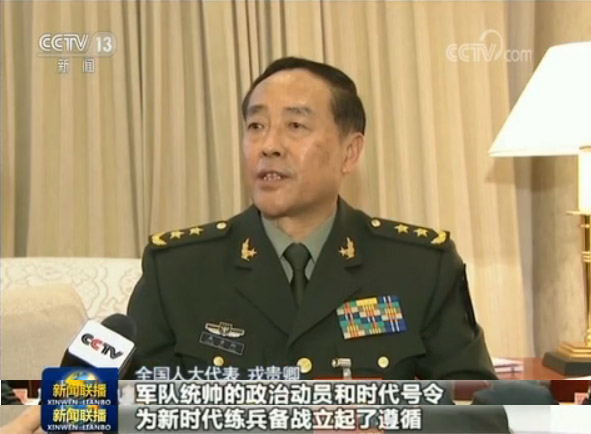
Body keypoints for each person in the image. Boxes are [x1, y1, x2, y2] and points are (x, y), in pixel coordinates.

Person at [127, 57, 497, 380]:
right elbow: (129, 410)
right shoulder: (178, 270)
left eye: (295, 126)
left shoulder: (420, 268)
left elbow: (472, 410)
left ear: (350, 153)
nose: (269, 146)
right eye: (256, 126)